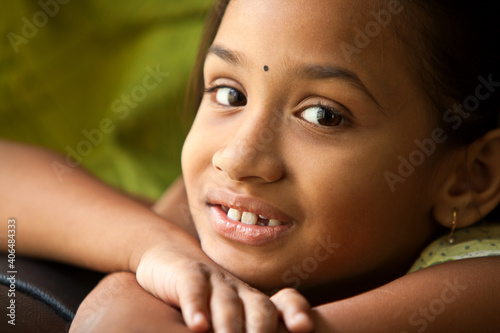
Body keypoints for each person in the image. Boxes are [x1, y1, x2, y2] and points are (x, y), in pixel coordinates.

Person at [2, 0, 500, 332]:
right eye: (227, 93)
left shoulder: (478, 282)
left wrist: (132, 284)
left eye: (323, 115)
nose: (237, 158)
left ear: (470, 176)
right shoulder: (231, 206)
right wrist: (156, 250)